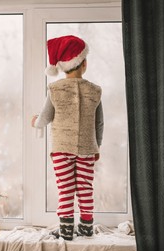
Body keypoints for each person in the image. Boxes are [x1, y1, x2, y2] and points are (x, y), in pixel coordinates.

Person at [31, 35, 104, 240]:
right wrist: (96, 146)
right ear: (84, 63)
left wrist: (35, 122)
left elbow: (45, 118)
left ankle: (65, 230)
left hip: (62, 149)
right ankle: (87, 227)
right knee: (85, 188)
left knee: (65, 189)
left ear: (63, 66)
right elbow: (99, 124)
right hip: (88, 148)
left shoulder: (55, 90)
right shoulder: (95, 90)